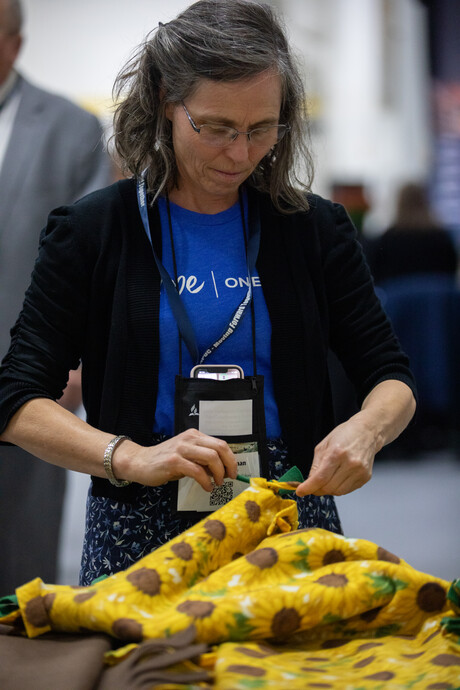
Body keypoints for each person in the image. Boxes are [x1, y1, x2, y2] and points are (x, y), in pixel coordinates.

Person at [0, 0, 416, 588]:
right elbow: (16, 399)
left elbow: (390, 374)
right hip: (139, 523)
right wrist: (133, 458)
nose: (241, 154)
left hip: (289, 512)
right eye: (216, 128)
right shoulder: (95, 230)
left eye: (262, 129)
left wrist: (367, 430)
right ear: (166, 104)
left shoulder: (312, 229)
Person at [0, 0, 113, 592]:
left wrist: (73, 361)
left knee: (21, 549)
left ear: (14, 44)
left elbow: (95, 260)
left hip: (27, 373)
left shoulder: (71, 128)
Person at [367, 182, 458, 285]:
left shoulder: (388, 239)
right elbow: (450, 274)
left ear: (399, 203)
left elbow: (377, 276)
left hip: (399, 299)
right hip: (437, 299)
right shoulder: (442, 237)